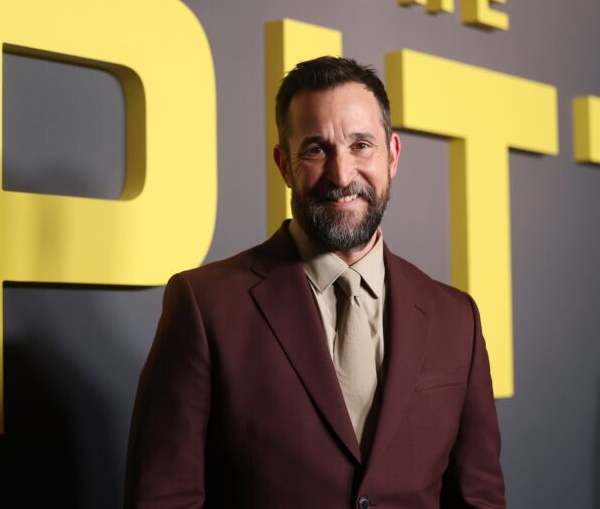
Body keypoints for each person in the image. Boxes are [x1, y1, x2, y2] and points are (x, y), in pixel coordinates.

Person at [125, 56, 505, 509]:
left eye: (361, 145)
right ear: (284, 165)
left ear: (393, 155)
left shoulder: (456, 318)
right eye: (316, 149)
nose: (342, 175)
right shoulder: (205, 306)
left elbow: (478, 500)